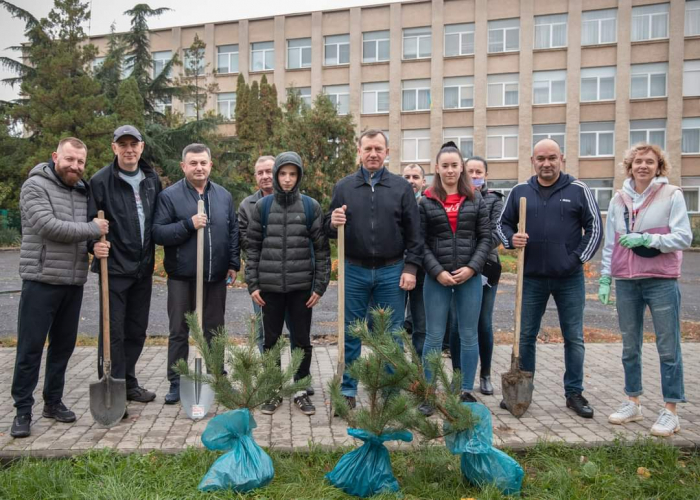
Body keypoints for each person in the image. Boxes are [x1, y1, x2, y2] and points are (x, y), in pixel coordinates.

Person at [497, 138, 602, 418]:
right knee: (525, 336)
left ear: (561, 159)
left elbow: (595, 229)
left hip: (569, 278)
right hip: (530, 278)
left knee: (574, 338)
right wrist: (511, 238)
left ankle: (574, 393)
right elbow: (501, 223)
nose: (546, 163)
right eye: (540, 158)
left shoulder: (579, 190)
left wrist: (575, 259)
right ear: (533, 161)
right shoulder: (521, 191)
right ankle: (521, 393)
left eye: (551, 158)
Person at [10, 138, 109, 438]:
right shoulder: (34, 186)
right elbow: (48, 226)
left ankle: (52, 402)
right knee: (30, 349)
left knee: (63, 348)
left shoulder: (81, 191)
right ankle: (22, 410)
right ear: (55, 156)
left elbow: (85, 233)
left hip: (72, 281)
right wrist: (93, 229)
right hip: (40, 279)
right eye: (70, 159)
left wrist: (95, 245)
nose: (75, 166)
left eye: (80, 162)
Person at [598, 143, 692, 436]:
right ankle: (633, 401)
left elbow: (684, 237)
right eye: (638, 161)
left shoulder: (671, 195)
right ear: (630, 166)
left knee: (668, 346)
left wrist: (647, 240)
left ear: (658, 166)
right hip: (626, 281)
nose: (643, 166)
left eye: (650, 161)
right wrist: (605, 277)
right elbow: (611, 243)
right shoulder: (619, 199)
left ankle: (670, 410)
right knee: (630, 346)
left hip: (661, 280)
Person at [325, 129, 423, 409]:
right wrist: (333, 221)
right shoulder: (344, 186)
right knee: (352, 331)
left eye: (378, 149)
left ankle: (390, 392)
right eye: (368, 148)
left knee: (390, 334)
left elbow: (415, 234)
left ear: (387, 153)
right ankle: (348, 390)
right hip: (353, 270)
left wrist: (411, 268)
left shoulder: (401, 188)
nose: (373, 154)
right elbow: (328, 229)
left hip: (391, 271)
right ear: (359, 151)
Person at [152, 143, 240, 405]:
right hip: (182, 276)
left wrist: (233, 263)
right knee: (179, 330)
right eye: (193, 163)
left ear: (211, 165)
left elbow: (233, 230)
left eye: (203, 162)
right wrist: (188, 225)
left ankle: (217, 377)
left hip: (215, 276)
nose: (199, 167)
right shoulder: (170, 196)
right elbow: (158, 233)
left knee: (215, 330)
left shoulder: (223, 196)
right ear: (183, 166)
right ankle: (177, 381)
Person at [245, 152, 331, 415]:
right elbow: (252, 249)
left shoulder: (310, 206)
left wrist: (319, 286)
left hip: (301, 289)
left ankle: (301, 390)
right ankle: (273, 390)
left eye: (292, 174)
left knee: (302, 341)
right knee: (270, 341)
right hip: (269, 289)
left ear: (299, 176)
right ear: (275, 175)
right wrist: (253, 284)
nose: (287, 179)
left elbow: (322, 250)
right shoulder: (262, 207)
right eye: (283, 174)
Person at [89, 125, 161, 406]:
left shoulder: (152, 178)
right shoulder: (100, 181)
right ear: (114, 147)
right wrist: (91, 245)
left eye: (134, 144)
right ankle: (112, 386)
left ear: (142, 147)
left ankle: (128, 381)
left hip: (143, 268)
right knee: (112, 331)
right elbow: (87, 222)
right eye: (123, 144)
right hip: (114, 269)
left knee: (136, 330)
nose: (129, 149)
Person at [418, 142, 492, 415]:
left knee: (468, 334)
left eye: (454, 165)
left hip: (469, 278)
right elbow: (419, 242)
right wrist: (436, 271)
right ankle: (429, 393)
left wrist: (472, 268)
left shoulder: (475, 198)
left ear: (462, 167)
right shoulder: (425, 201)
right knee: (434, 337)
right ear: (436, 168)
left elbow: (486, 238)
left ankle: (464, 390)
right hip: (436, 278)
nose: (450, 170)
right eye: (444, 166)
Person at [465, 156, 504, 395]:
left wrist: (472, 254)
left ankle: (486, 374)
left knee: (483, 322)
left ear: (485, 175)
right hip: (459, 267)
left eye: (478, 171)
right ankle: (461, 376)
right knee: (459, 323)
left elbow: (496, 233)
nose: (474, 175)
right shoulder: (456, 198)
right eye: (469, 171)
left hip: (487, 268)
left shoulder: (494, 200)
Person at [402, 163, 427, 357]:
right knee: (392, 323)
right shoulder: (395, 202)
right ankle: (394, 371)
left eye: (415, 177)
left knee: (421, 324)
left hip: (424, 272)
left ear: (423, 181)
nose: (411, 181)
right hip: (397, 270)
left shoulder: (428, 204)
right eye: (407, 176)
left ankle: (419, 372)